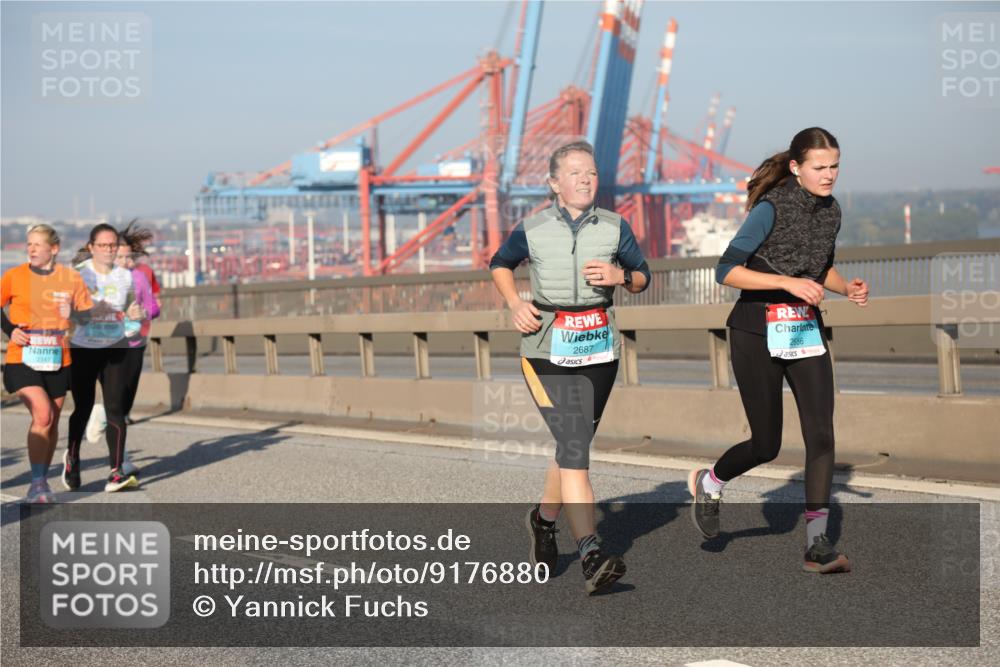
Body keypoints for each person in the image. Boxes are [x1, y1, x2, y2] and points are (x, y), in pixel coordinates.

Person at [688, 127, 869, 574]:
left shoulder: (832, 211)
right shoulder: (771, 208)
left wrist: (848, 287)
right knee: (766, 443)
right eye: (819, 167)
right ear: (796, 167)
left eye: (835, 166)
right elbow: (726, 270)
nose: (829, 175)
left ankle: (817, 543)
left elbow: (819, 267)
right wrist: (786, 283)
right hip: (754, 331)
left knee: (821, 434)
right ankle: (711, 483)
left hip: (803, 331)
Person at [490, 140, 651, 594]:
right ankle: (591, 552)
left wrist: (622, 277)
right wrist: (513, 302)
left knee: (570, 447)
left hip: (599, 349)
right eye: (576, 172)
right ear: (555, 183)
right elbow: (500, 263)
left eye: (592, 173)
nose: (585, 179)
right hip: (544, 349)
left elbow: (642, 276)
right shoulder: (533, 228)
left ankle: (543, 521)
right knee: (575, 449)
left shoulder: (616, 227)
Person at [1, 225, 93, 502]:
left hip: (58, 358)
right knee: (42, 414)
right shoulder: (14, 276)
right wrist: (10, 329)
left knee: (51, 422)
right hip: (22, 356)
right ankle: (38, 483)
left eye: (38, 245)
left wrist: (74, 313)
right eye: (29, 244)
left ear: (54, 249)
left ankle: (41, 481)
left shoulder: (71, 278)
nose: (31, 249)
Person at [64, 223, 146, 493]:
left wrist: (135, 318)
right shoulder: (77, 275)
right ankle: (73, 457)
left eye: (113, 245)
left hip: (116, 346)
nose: (109, 250)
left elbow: (132, 310)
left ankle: (115, 472)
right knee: (84, 407)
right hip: (84, 348)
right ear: (91, 247)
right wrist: (90, 312)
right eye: (103, 245)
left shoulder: (126, 276)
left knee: (116, 409)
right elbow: (68, 314)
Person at [115, 221, 160, 459]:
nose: (124, 261)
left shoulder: (139, 279)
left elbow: (153, 307)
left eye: (127, 257)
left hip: (135, 342)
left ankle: (112, 419)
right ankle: (118, 463)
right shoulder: (101, 282)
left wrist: (145, 313)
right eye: (119, 257)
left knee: (127, 396)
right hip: (109, 345)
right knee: (115, 393)